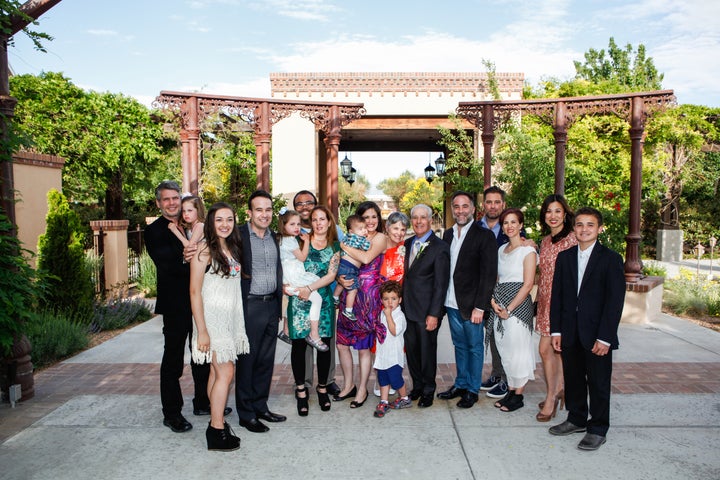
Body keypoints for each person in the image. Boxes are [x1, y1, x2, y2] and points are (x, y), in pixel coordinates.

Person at [549, 207, 625, 451]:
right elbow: (557, 297)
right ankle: (576, 418)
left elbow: (614, 302)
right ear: (574, 228)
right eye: (580, 224)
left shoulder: (611, 259)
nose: (584, 229)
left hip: (597, 334)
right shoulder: (565, 257)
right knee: (573, 379)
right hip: (570, 331)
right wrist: (556, 331)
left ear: (599, 229)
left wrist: (605, 337)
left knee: (598, 382)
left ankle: (598, 428)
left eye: (590, 225)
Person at [144, 180, 211, 433]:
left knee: (201, 354)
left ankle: (202, 401)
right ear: (159, 203)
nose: (172, 203)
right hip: (175, 304)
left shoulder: (190, 226)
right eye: (167, 199)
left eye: (175, 198)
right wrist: (188, 260)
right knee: (173, 359)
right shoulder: (155, 231)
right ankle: (172, 413)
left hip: (199, 302)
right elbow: (167, 265)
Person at [189, 202, 249, 451]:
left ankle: (218, 423)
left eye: (229, 219)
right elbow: (194, 292)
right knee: (226, 373)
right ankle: (216, 430)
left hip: (229, 318)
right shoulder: (203, 250)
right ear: (211, 223)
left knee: (216, 374)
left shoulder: (232, 248)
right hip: (211, 321)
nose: (225, 224)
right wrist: (202, 330)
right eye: (219, 220)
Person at [437, 191, 497, 409]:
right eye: (456, 206)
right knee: (459, 346)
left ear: (473, 209)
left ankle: (472, 389)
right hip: (452, 303)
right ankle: (460, 384)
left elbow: (488, 275)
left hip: (473, 306)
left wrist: (480, 306)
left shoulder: (484, 236)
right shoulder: (448, 235)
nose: (460, 210)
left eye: (465, 206)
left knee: (474, 347)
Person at [235, 190, 287, 433]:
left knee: (266, 360)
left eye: (268, 210)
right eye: (259, 210)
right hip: (249, 305)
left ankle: (260, 406)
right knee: (248, 361)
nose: (264, 214)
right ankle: (246, 414)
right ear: (249, 213)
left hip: (271, 305)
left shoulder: (274, 237)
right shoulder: (238, 235)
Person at [286, 205, 340, 416]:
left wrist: (310, 288)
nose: (319, 223)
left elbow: (331, 275)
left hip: (323, 300)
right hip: (298, 301)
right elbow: (288, 266)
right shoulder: (300, 243)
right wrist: (290, 287)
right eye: (315, 219)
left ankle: (323, 388)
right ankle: (301, 390)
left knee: (324, 345)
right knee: (298, 346)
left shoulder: (335, 246)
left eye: (322, 219)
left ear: (329, 222)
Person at [335, 201, 387, 408]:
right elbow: (342, 262)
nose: (371, 221)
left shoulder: (380, 238)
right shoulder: (356, 238)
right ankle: (348, 385)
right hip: (349, 295)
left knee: (363, 349)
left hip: (367, 300)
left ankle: (363, 389)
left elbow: (365, 258)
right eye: (366, 218)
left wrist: (344, 246)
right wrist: (340, 280)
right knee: (342, 344)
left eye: (374, 217)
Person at [402, 204, 450, 408]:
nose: (419, 221)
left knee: (427, 353)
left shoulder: (440, 248)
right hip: (407, 310)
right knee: (412, 352)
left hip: (426, 311)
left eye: (423, 217)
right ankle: (418, 387)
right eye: (415, 217)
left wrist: (434, 314)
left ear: (431, 220)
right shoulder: (406, 244)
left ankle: (429, 390)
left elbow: (441, 285)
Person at [489, 208, 537, 412]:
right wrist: (493, 301)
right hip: (499, 304)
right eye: (505, 223)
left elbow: (528, 284)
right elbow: (498, 279)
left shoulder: (528, 251)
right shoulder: (501, 250)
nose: (509, 226)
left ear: (520, 225)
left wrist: (509, 308)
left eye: (513, 222)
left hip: (517, 307)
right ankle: (510, 390)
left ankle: (518, 396)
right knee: (505, 350)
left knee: (519, 351)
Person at [535, 194, 577, 422]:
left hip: (561, 305)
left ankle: (552, 397)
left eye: (557, 211)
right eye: (549, 211)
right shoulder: (545, 241)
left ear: (565, 214)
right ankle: (560, 388)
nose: (553, 216)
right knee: (552, 351)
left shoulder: (572, 240)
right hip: (544, 303)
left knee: (549, 350)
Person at [278, 207, 328, 352]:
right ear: (284, 225)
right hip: (294, 276)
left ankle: (286, 330)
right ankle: (314, 335)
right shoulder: (291, 241)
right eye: (292, 224)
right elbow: (302, 257)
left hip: (288, 276)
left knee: (292, 299)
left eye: (298, 224)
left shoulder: (281, 239)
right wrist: (306, 241)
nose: (296, 227)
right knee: (317, 299)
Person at [373, 280, 412, 418]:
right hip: (383, 353)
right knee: (382, 378)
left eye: (393, 299)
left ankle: (404, 398)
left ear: (399, 300)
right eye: (386, 299)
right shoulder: (382, 313)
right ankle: (383, 401)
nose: (390, 302)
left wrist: (389, 316)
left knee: (395, 379)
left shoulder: (399, 316)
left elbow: (394, 331)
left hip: (394, 356)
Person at [333, 214, 370, 321]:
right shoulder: (360, 239)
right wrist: (367, 239)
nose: (364, 231)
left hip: (343, 265)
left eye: (364, 228)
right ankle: (348, 310)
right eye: (361, 229)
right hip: (350, 267)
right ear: (351, 231)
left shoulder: (346, 238)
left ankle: (335, 297)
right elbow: (366, 248)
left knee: (341, 282)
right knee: (352, 291)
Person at [380, 211, 410, 283]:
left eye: (403, 230)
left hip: (402, 292)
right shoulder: (379, 246)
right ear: (387, 228)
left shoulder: (407, 246)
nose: (399, 233)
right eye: (396, 228)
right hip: (381, 291)